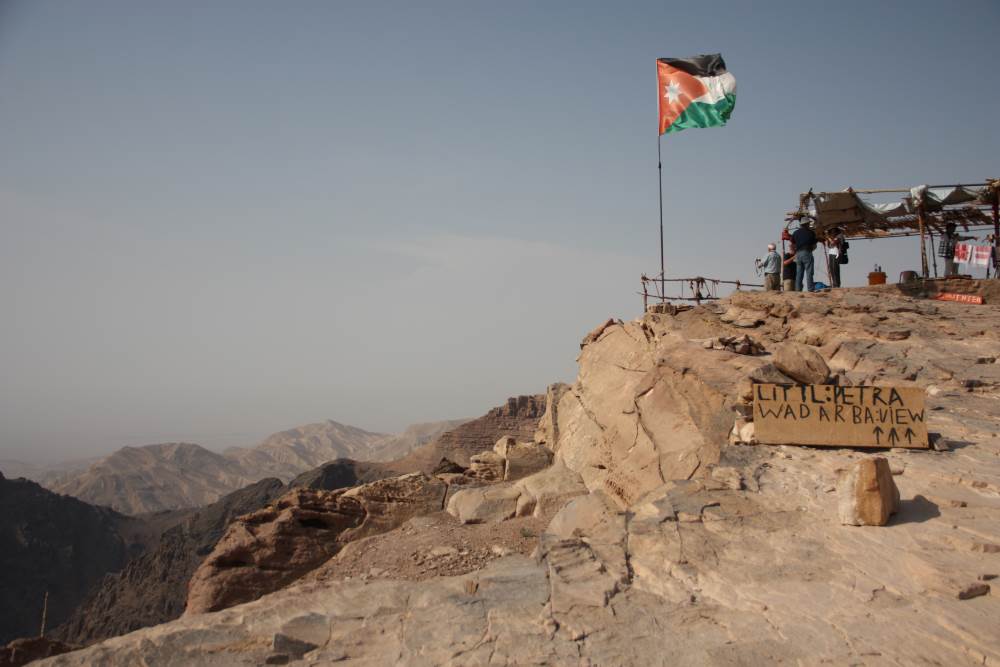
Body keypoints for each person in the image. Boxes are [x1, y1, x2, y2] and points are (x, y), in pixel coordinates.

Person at [791, 220, 817, 292]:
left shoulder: (795, 233)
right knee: (809, 271)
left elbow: (792, 243)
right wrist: (810, 250)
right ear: (807, 224)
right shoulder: (811, 233)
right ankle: (810, 288)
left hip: (798, 254)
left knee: (799, 272)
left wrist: (795, 251)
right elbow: (814, 245)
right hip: (807, 252)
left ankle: (798, 289)